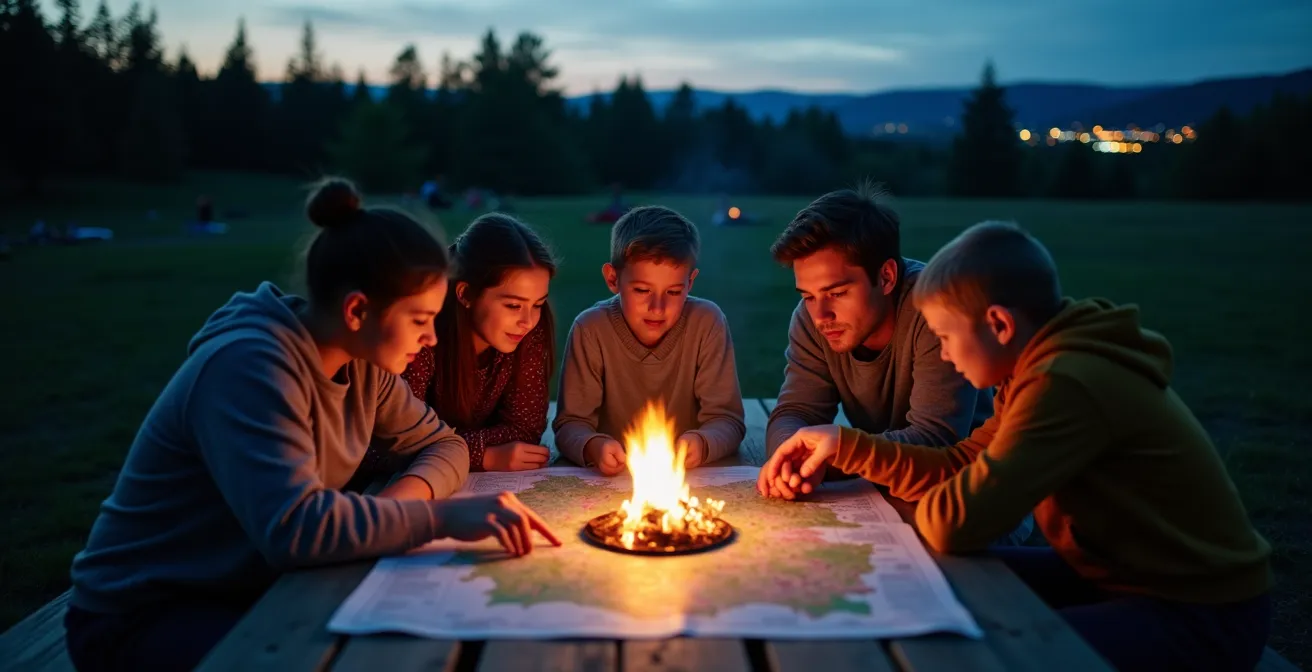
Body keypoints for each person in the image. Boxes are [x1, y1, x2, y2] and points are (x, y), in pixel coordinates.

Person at [64, 177, 560, 672]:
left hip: (254, 583)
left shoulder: (363, 363)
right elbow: (296, 529)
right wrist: (442, 519)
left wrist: (396, 508)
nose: (433, 338)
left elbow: (444, 444)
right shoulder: (250, 368)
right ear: (357, 310)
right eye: (419, 319)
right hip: (145, 611)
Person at [759, 221, 1273, 671]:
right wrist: (846, 445)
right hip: (1115, 574)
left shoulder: (1065, 385)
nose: (939, 352)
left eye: (944, 335)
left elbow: (957, 521)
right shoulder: (1034, 373)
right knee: (919, 575)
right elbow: (961, 463)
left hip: (1199, 609)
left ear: (1000, 325)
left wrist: (912, 492)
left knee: (988, 650)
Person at [764, 185, 1034, 542]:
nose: (820, 314)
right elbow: (795, 411)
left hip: (971, 496)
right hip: (889, 485)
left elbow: (936, 441)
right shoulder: (813, 318)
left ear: (887, 277)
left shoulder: (937, 312)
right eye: (808, 296)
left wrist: (828, 459)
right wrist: (792, 459)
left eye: (837, 293)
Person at [554, 205, 746, 474]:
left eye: (674, 291)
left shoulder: (706, 323)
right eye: (642, 290)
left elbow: (728, 420)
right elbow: (570, 424)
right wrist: (593, 446)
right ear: (612, 278)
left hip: (689, 479)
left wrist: (701, 443)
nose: (657, 307)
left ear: (690, 282)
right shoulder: (591, 329)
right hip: (611, 481)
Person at [392, 213, 557, 473]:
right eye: (513, 305)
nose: (528, 320)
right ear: (466, 293)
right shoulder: (423, 337)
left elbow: (525, 430)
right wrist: (481, 456)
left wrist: (442, 446)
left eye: (537, 304)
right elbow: (395, 442)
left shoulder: (526, 331)